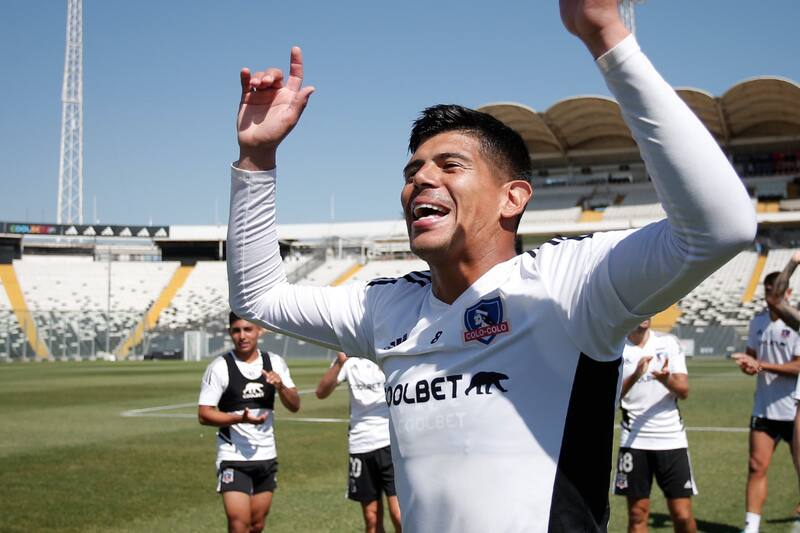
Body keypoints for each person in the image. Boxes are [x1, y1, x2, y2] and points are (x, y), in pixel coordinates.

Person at [226, 1, 757, 530]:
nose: (421, 180)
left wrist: (607, 38)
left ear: (512, 198)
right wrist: (256, 158)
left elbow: (721, 226)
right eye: (412, 172)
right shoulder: (386, 308)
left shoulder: (566, 285)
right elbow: (258, 298)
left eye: (450, 165)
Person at [198, 312, 301, 533]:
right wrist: (239, 419)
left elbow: (294, 405)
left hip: (266, 455)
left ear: (259, 331)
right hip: (233, 457)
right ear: (229, 333)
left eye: (248, 329)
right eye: (236, 331)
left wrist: (281, 386)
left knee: (257, 524)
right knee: (239, 525)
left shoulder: (274, 363)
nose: (242, 336)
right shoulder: (220, 367)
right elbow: (204, 414)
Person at [614, 319, 696, 533]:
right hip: (634, 440)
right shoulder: (617, 346)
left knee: (682, 514)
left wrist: (665, 380)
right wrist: (635, 375)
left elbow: (683, 391)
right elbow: (613, 397)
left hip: (671, 438)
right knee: (637, 514)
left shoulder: (668, 342)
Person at [733, 270, 800, 533]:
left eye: (777, 291)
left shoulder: (795, 323)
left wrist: (761, 364)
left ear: (788, 293)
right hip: (764, 407)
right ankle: (751, 527)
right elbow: (752, 357)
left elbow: (798, 367)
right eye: (767, 291)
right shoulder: (757, 322)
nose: (770, 296)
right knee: (756, 466)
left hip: (793, 409)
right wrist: (748, 366)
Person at [316, 352, 402, 533]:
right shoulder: (348, 357)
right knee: (371, 518)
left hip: (390, 442)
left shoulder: (384, 352)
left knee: (399, 515)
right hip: (360, 443)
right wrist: (339, 364)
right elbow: (321, 392)